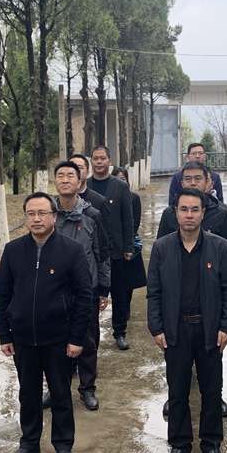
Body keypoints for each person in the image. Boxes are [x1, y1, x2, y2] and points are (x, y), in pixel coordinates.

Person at [0, 193, 94, 453]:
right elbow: (2, 295)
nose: (36, 219)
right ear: (25, 218)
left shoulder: (71, 250)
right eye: (30, 214)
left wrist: (76, 338)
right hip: (23, 338)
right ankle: (29, 443)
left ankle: (63, 445)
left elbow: (84, 297)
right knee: (28, 393)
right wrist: (4, 334)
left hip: (59, 338)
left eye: (42, 213)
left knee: (61, 393)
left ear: (54, 217)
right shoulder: (13, 250)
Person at [147, 188, 227, 453]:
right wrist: (156, 327)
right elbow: (154, 292)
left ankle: (211, 445)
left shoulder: (220, 247)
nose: (189, 215)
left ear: (203, 213)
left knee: (212, 391)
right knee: (178, 391)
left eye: (195, 209)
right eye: (184, 209)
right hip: (175, 331)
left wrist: (225, 327)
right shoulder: (162, 247)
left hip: (209, 331)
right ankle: (180, 446)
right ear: (175, 212)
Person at [51, 161, 110, 411]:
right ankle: (57, 388)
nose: (65, 180)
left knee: (87, 341)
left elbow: (102, 254)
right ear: (55, 181)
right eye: (60, 176)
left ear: (79, 181)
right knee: (55, 343)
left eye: (70, 176)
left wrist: (103, 289)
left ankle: (87, 388)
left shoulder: (92, 215)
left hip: (85, 290)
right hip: (54, 291)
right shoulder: (48, 214)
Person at [88, 146, 136, 350]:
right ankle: (91, 334)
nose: (99, 162)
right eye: (95, 158)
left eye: (103, 158)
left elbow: (128, 217)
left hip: (115, 248)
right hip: (91, 248)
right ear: (91, 161)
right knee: (91, 293)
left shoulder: (120, 186)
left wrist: (128, 246)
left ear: (110, 161)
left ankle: (120, 332)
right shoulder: (85, 185)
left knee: (119, 293)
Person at [110, 166, 147, 351]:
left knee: (126, 284)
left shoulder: (133, 198)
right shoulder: (103, 197)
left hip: (126, 245)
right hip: (108, 247)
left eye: (123, 178)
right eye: (117, 178)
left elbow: (134, 221)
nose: (120, 181)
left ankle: (123, 319)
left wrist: (126, 243)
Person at [157, 162, 227, 248]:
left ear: (207, 182)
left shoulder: (221, 213)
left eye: (198, 178)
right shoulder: (169, 213)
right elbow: (160, 247)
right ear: (182, 183)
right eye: (188, 179)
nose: (193, 183)